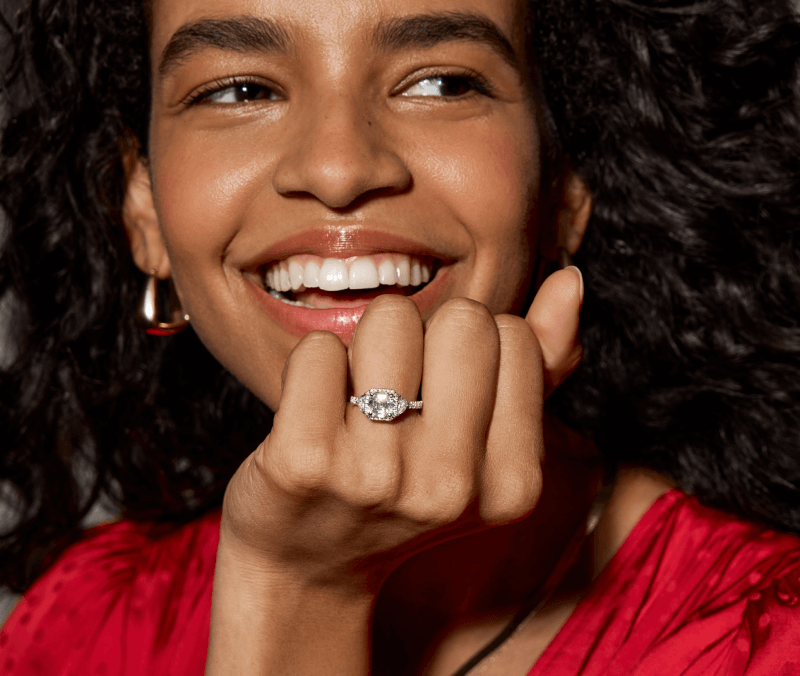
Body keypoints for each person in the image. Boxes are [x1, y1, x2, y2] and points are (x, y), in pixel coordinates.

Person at [1, 0, 799, 673]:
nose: (339, 169)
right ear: (143, 209)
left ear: (565, 188)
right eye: (239, 89)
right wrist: (295, 586)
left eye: (441, 82)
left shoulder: (763, 641)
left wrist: (301, 589)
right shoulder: (83, 626)